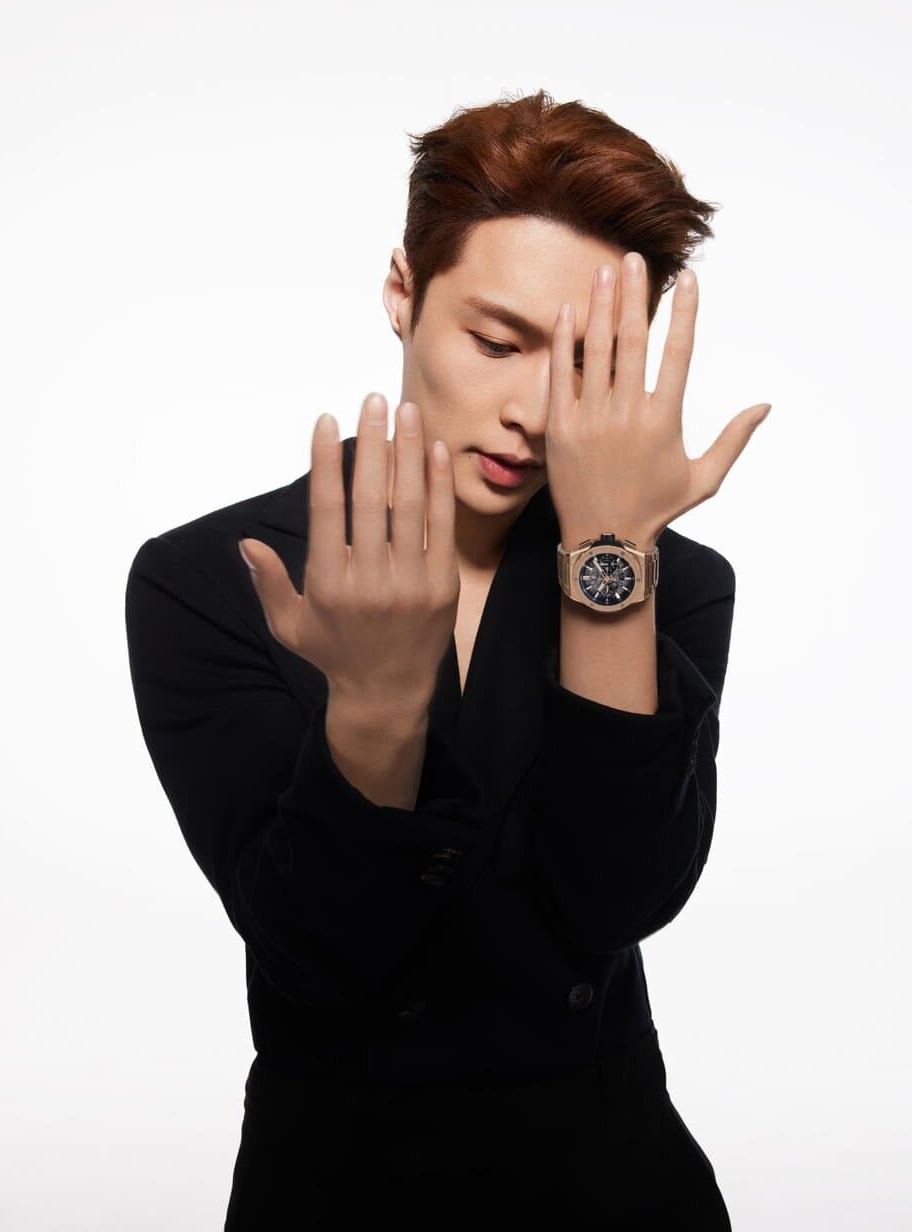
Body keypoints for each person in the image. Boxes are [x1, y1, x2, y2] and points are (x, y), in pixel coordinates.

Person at [125, 88, 770, 1229]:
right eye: (497, 342)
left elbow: (617, 895)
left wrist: (607, 551)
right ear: (402, 294)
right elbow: (318, 956)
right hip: (339, 1188)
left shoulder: (673, 579)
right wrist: (375, 701)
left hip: (613, 1183)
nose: (535, 411)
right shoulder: (209, 579)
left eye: (586, 365)